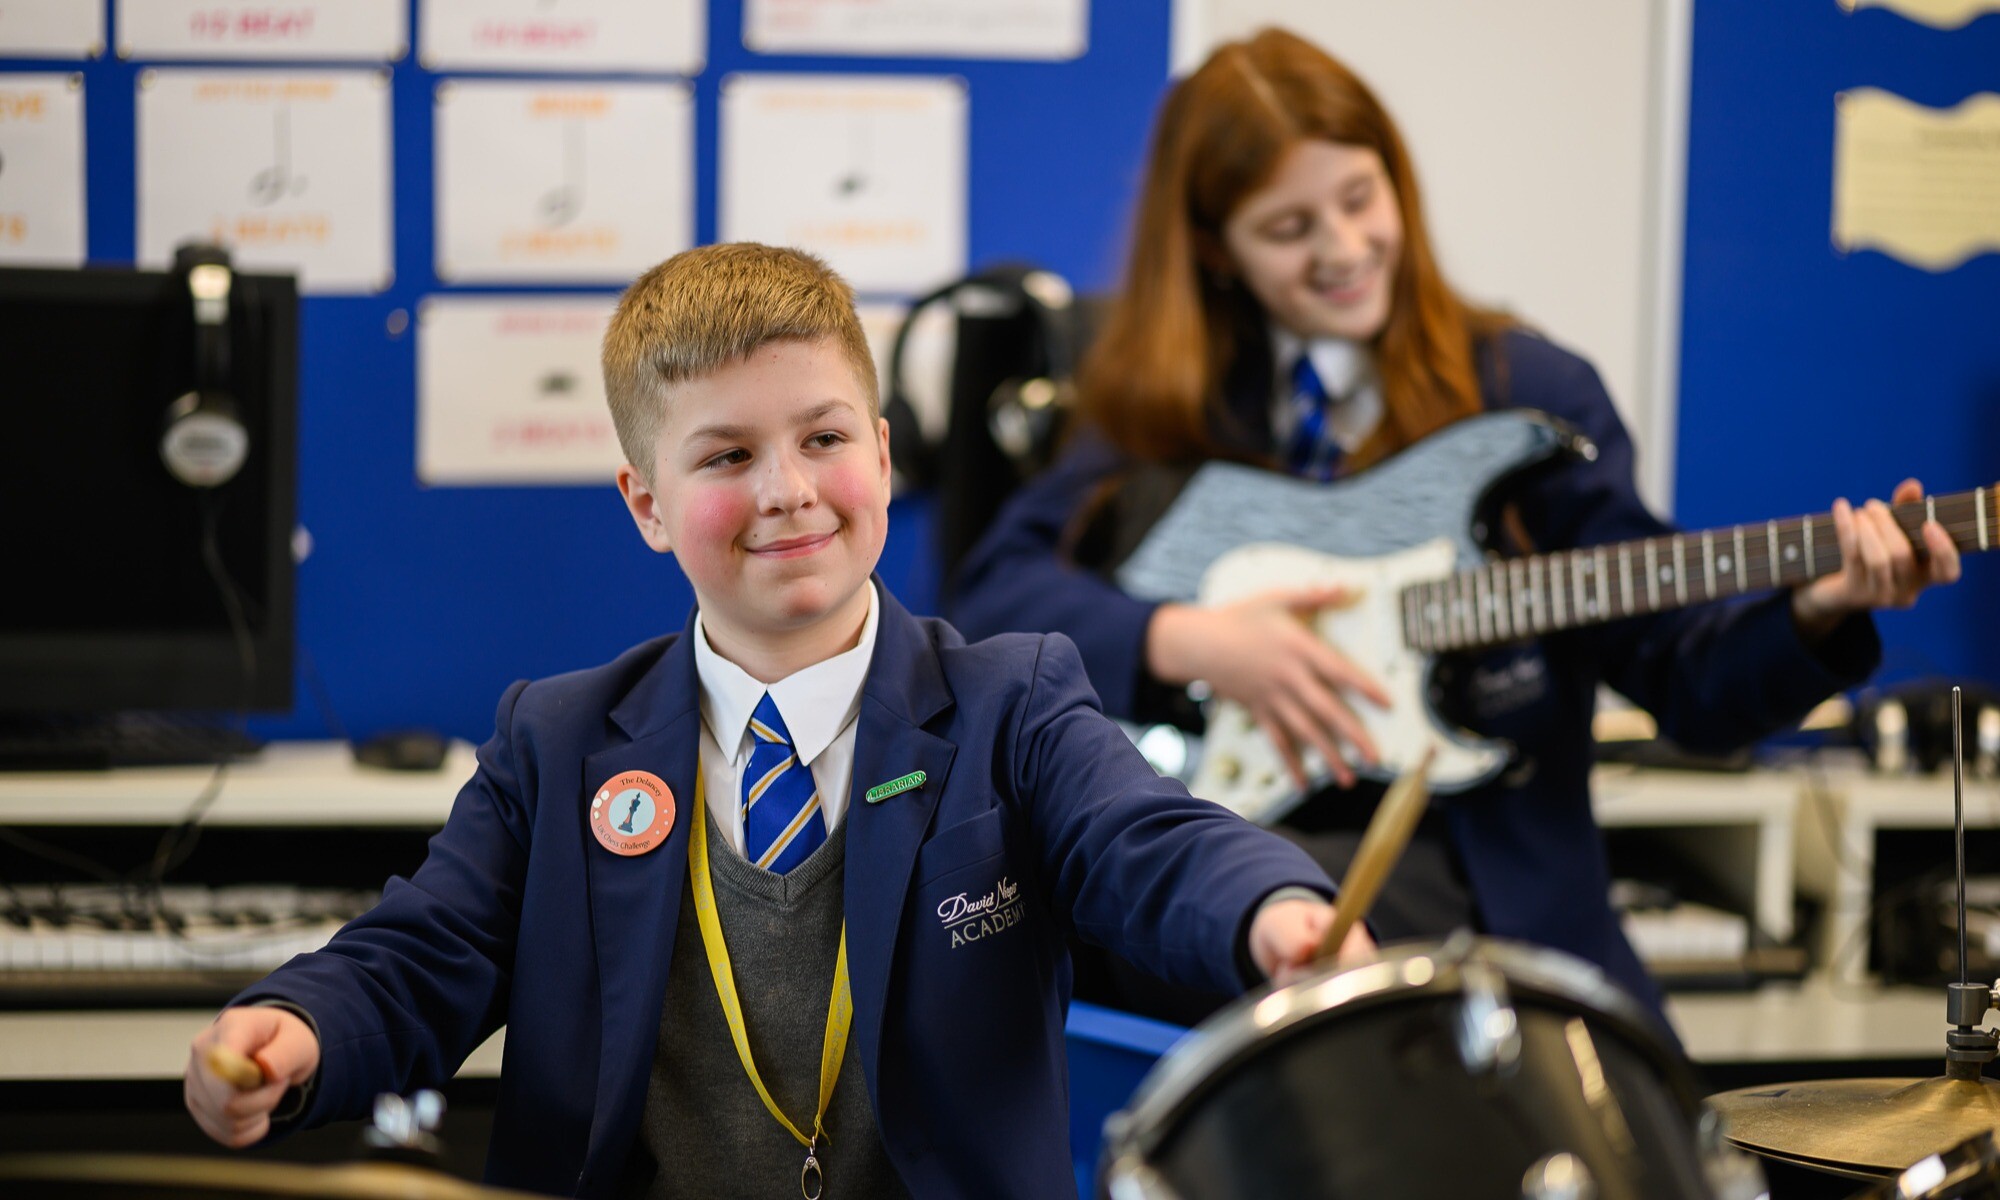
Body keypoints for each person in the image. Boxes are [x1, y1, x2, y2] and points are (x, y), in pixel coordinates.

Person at [181, 243, 1366, 1199]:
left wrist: (1274, 906)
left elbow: (1143, 839)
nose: (786, 490)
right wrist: (298, 1026)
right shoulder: (554, 743)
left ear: (885, 457)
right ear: (646, 504)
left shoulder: (1013, 704)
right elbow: (420, 957)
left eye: (824, 438)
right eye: (726, 455)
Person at [947, 28, 1961, 1023]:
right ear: (1214, 248)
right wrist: (1190, 640)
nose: (1344, 250)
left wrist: (1820, 612)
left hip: (1486, 909)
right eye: (1289, 228)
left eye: (1358, 199)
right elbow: (992, 601)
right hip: (1230, 891)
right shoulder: (1156, 404)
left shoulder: (1527, 396)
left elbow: (1683, 679)